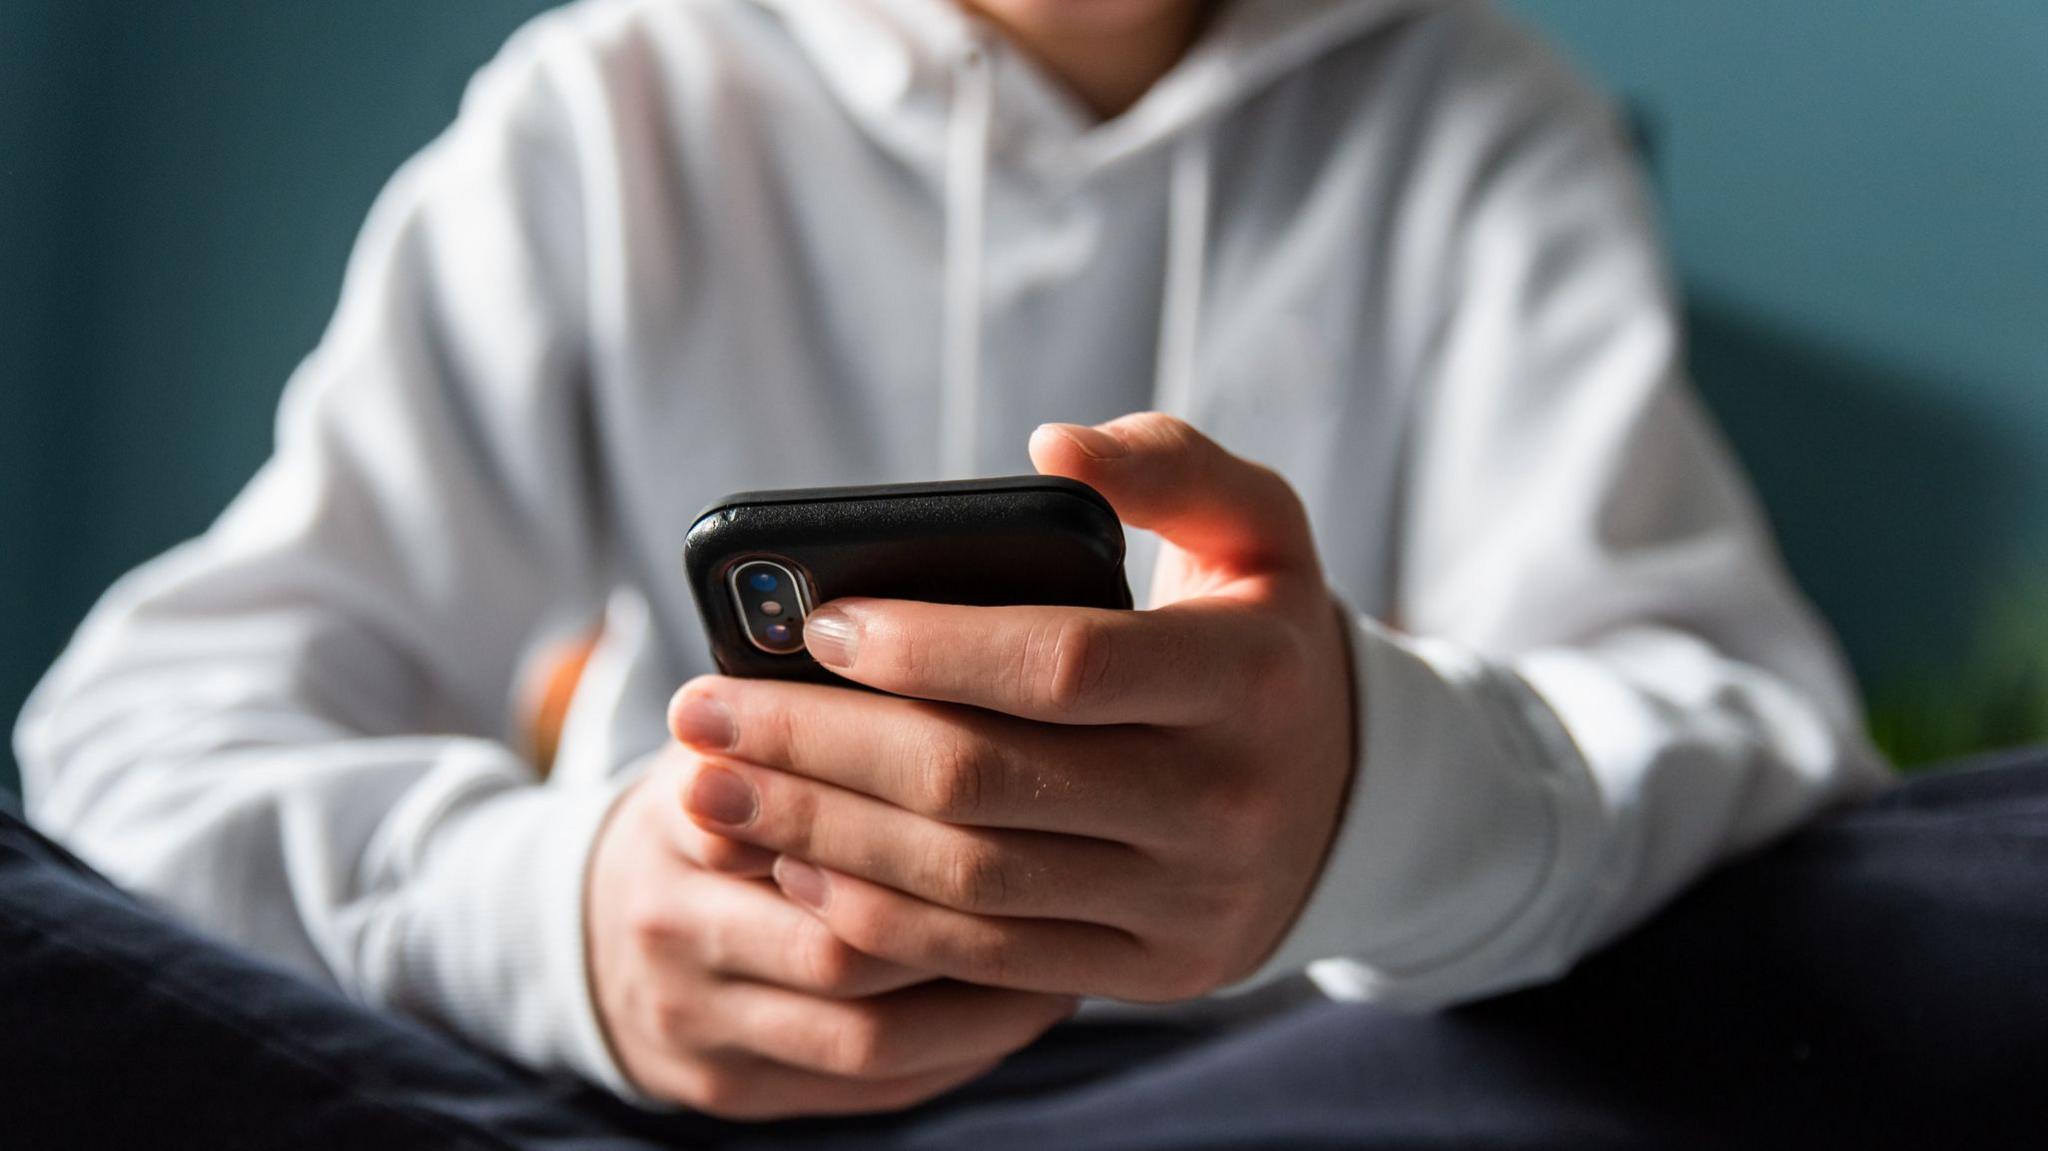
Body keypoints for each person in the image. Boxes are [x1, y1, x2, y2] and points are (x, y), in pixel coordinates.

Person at [14, 0, 1896, 1132]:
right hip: (703, 1102)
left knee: (1979, 892)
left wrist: (1361, 801)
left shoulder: (1485, 121)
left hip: (1289, 1093)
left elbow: (1732, 716)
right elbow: (145, 724)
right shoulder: (610, 116)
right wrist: (562, 919)